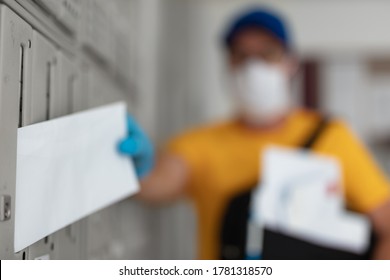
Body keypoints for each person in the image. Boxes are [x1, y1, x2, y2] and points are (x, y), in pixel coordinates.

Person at [119, 8, 390, 260]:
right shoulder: (201, 143)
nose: (253, 67)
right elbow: (157, 184)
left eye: (267, 53)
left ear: (291, 63)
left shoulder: (332, 137)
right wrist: (138, 168)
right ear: (228, 65)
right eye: (241, 55)